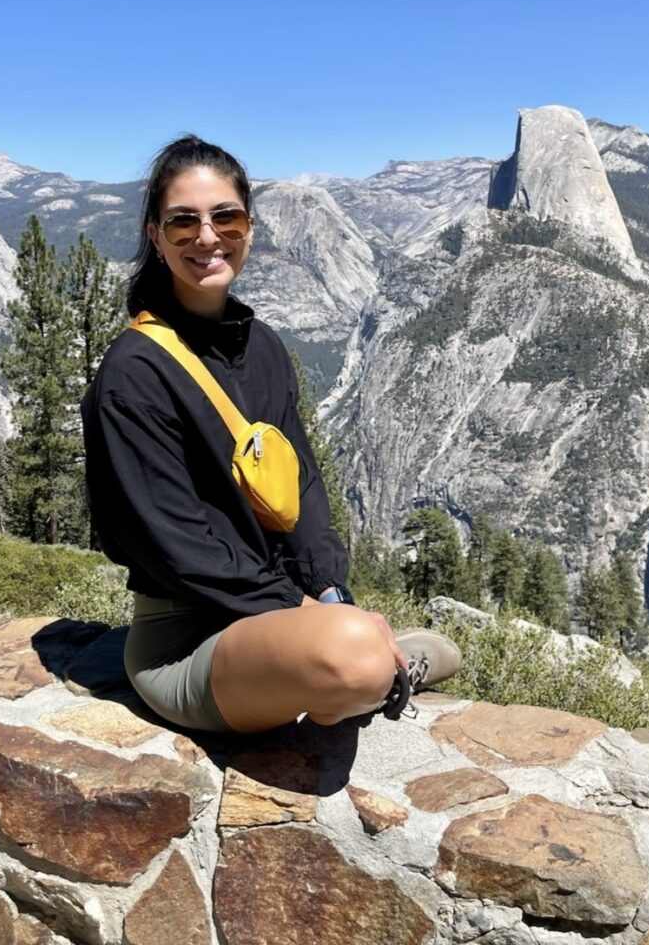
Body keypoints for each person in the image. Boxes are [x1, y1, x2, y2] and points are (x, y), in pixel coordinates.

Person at [81, 135, 460, 734]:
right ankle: (373, 669)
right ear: (155, 236)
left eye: (225, 217)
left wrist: (331, 594)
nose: (208, 237)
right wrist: (308, 615)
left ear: (249, 228)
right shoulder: (133, 373)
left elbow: (303, 488)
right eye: (183, 223)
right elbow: (177, 546)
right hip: (186, 640)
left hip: (273, 609)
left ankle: (359, 661)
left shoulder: (264, 349)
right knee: (357, 655)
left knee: (382, 641)